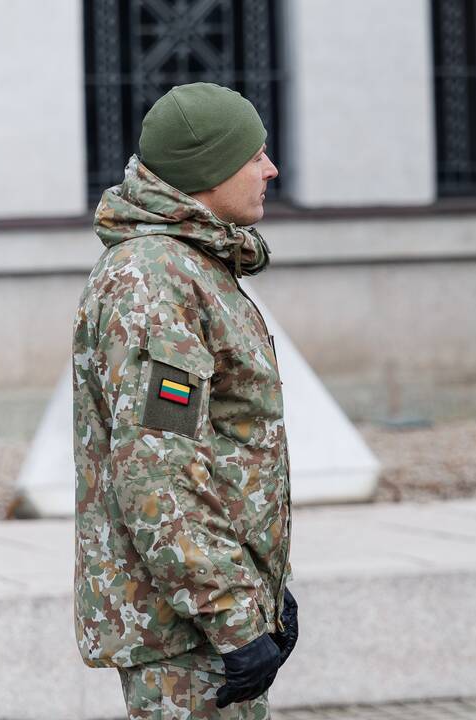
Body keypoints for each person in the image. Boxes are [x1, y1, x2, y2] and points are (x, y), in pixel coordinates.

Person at [72, 82, 297, 719]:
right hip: (185, 630)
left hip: (202, 613)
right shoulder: (154, 279)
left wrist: (265, 591)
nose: (270, 170)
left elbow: (223, 448)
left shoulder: (193, 264)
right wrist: (231, 614)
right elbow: (156, 471)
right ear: (208, 172)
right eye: (254, 156)